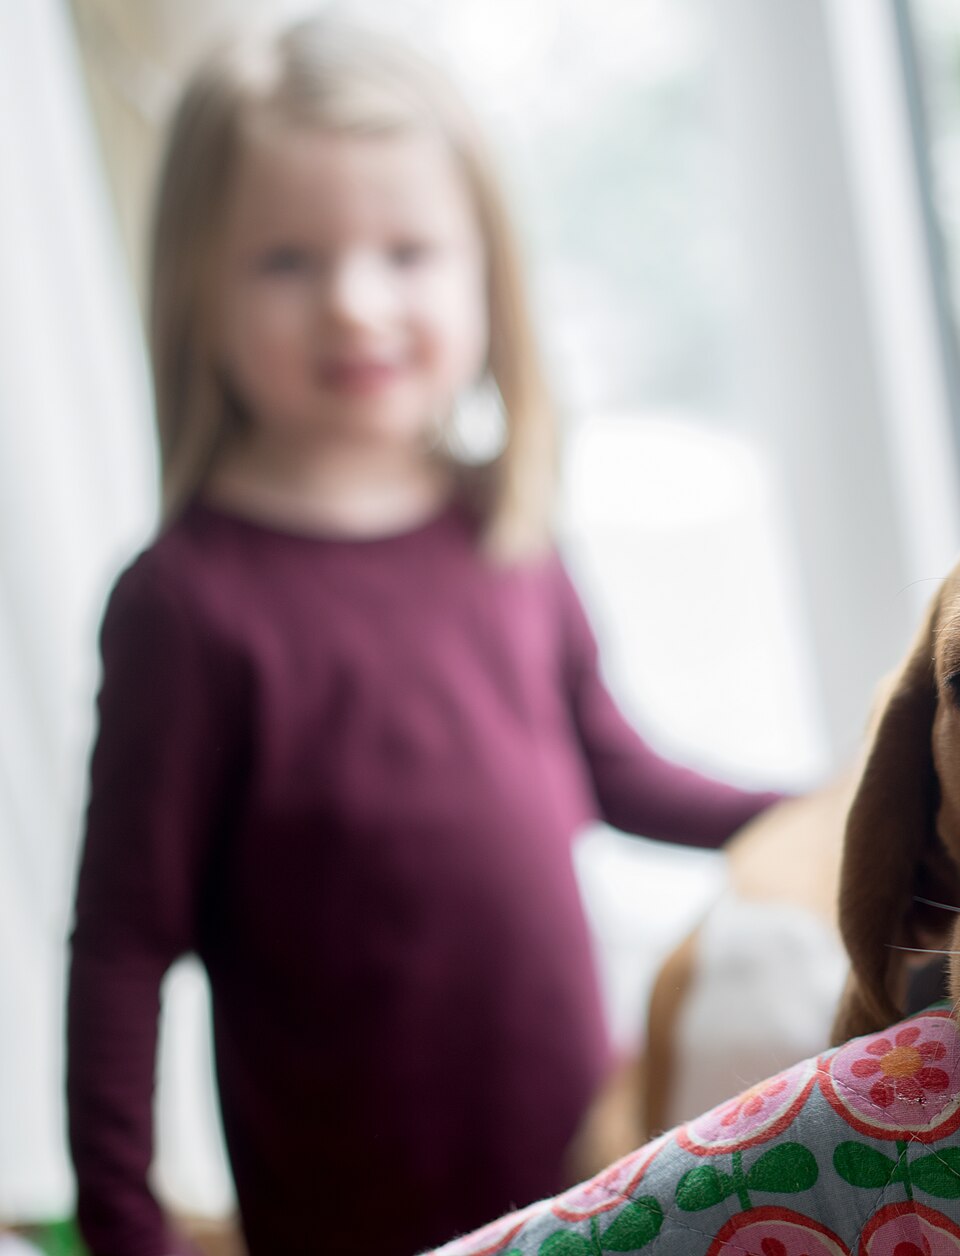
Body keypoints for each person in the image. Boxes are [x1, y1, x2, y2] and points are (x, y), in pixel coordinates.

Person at [64, 17, 784, 1255]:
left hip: (581, 1163)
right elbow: (124, 948)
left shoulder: (503, 527)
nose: (355, 303)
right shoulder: (185, 604)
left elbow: (615, 769)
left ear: (482, 273)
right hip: (354, 1208)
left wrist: (858, 800)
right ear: (196, 285)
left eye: (406, 253)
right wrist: (127, 1228)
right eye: (287, 260)